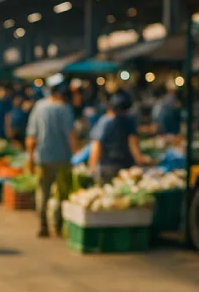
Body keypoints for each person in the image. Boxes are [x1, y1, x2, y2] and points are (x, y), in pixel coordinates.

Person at [27, 83, 77, 237]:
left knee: (43, 191)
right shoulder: (65, 109)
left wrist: (30, 157)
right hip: (63, 158)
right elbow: (71, 135)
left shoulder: (39, 107)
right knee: (61, 192)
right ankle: (58, 225)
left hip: (42, 157)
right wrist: (77, 155)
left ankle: (43, 224)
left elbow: (31, 136)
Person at [89, 92, 146, 183]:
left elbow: (96, 145)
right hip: (124, 167)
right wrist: (140, 161)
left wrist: (92, 166)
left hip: (107, 167)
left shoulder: (103, 121)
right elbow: (133, 143)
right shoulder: (128, 121)